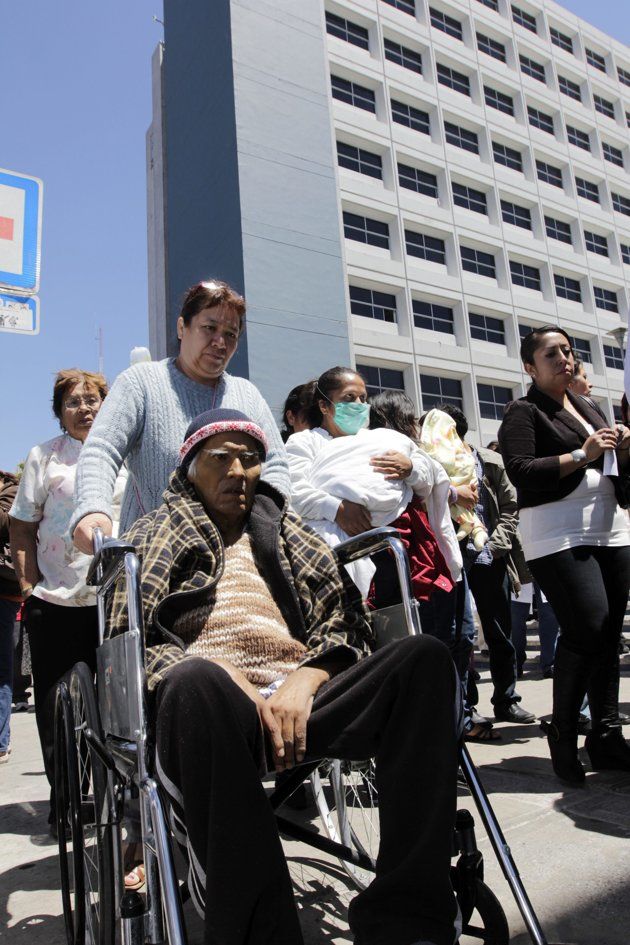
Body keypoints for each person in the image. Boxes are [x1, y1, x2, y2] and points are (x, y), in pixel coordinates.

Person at [108, 408, 463, 945]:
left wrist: (309, 676)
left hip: (302, 697)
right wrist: (226, 675)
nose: (237, 471)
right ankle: (261, 929)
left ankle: (408, 919)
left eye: (250, 460)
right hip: (212, 708)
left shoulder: (285, 528)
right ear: (188, 470)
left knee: (424, 660)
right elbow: (134, 637)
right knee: (194, 680)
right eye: (220, 458)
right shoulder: (156, 531)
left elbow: (343, 618)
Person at [499, 326, 630, 784]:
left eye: (568, 351)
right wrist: (582, 453)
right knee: (588, 626)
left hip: (610, 529)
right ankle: (564, 730)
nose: (564, 359)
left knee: (610, 633)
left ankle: (607, 737)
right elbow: (520, 471)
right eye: (551, 353)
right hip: (558, 534)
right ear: (530, 366)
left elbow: (612, 465)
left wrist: (622, 447)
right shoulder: (523, 410)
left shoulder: (590, 406)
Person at [71, 280, 290, 553]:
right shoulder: (141, 382)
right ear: (181, 327)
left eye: (231, 334)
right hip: (153, 555)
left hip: (236, 557)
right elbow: (102, 449)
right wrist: (92, 508)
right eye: (209, 328)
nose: (220, 342)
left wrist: (267, 521)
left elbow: (277, 465)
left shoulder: (248, 395)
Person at [9, 369, 128, 830]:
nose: (84, 408)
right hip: (55, 602)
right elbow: (22, 525)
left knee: (119, 705)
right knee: (58, 707)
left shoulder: (124, 455)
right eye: (73, 402)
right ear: (60, 412)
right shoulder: (44, 457)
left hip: (115, 600)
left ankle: (119, 801)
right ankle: (67, 800)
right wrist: (27, 585)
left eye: (93, 399)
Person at [434, 404, 535, 727]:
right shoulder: (434, 461)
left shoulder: (490, 462)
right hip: (453, 555)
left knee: (499, 632)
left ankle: (507, 699)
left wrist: (495, 544)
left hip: (490, 556)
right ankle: (467, 703)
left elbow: (510, 508)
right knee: (462, 633)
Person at [0, 470, 21, 763]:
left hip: (3, 593)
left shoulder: (11, 488)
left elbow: (6, 525)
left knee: (1, 668)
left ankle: (0, 741)